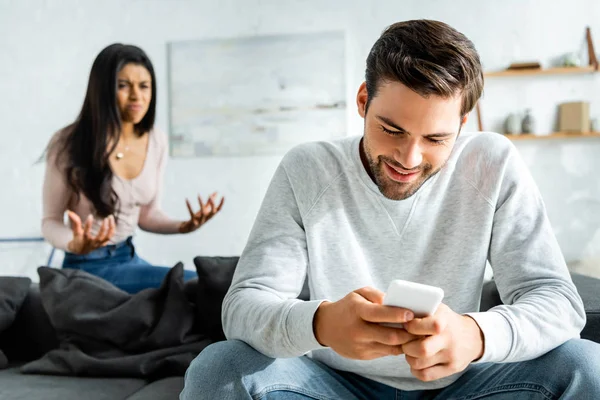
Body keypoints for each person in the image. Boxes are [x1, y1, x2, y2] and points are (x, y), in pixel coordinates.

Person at [181, 20, 600, 399]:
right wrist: (321, 324)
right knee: (218, 369)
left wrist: (475, 334)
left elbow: (559, 303)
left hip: (464, 387)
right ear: (363, 101)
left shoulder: (492, 163)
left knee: (586, 366)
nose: (409, 159)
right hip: (331, 388)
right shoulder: (307, 169)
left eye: (436, 138)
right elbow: (243, 307)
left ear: (463, 123)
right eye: (391, 129)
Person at [42, 43, 224, 294]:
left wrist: (184, 226)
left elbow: (147, 216)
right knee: (198, 284)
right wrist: (74, 243)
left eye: (144, 86)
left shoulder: (156, 140)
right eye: (123, 85)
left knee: (207, 283)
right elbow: (50, 222)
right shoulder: (67, 142)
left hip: (128, 258)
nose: (137, 96)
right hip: (85, 266)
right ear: (103, 90)